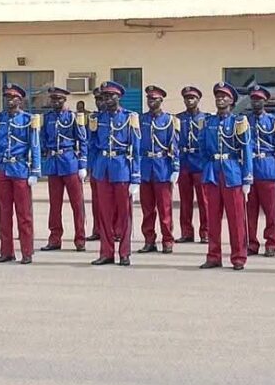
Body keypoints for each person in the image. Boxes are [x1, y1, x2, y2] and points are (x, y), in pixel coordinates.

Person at [198, 82, 253, 270]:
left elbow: (246, 150)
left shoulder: (238, 122)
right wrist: (206, 168)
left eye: (224, 96)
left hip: (232, 172)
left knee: (236, 219)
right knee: (212, 218)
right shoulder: (208, 122)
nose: (220, 99)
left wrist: (247, 178)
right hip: (213, 173)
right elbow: (202, 148)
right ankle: (213, 256)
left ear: (231, 101)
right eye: (218, 96)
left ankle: (238, 257)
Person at [88, 81, 141, 266]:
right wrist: (91, 168)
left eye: (111, 96)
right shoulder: (97, 118)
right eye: (105, 96)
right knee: (104, 213)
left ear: (119, 97)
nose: (108, 99)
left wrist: (136, 176)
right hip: (102, 168)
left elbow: (136, 148)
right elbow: (92, 145)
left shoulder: (129, 117)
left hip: (122, 168)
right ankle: (106, 252)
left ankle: (124, 252)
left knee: (125, 213)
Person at [0, 84, 42, 264]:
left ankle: (27, 252)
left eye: (13, 98)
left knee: (24, 214)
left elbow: (35, 145)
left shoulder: (28, 119)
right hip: (3, 168)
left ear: (20, 100)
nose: (9, 101)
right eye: (7, 97)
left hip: (20, 168)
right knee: (4, 212)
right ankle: (6, 251)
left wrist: (35, 170)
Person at [39, 86, 87, 252]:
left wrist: (82, 164)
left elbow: (82, 141)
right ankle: (55, 238)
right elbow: (43, 139)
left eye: (59, 99)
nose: (55, 102)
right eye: (53, 99)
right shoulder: (47, 118)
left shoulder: (73, 117)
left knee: (77, 204)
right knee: (54, 204)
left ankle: (80, 239)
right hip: (53, 163)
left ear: (65, 100)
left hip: (70, 162)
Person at [137, 85, 179, 254]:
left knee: (165, 208)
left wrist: (175, 167)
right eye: (149, 98)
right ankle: (149, 240)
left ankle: (167, 240)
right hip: (145, 166)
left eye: (154, 99)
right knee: (147, 209)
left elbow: (174, 144)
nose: (151, 101)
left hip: (162, 167)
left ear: (161, 100)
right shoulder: (141, 119)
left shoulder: (169, 120)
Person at [246, 84, 275, 257]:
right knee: (250, 212)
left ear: (265, 101)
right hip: (249, 170)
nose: (256, 102)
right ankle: (251, 243)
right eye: (253, 99)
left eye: (259, 99)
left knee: (271, 211)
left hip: (269, 169)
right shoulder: (244, 121)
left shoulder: (274, 121)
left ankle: (271, 242)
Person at [176, 86, 209, 244]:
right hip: (184, 162)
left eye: (192, 98)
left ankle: (206, 232)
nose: (189, 101)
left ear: (198, 100)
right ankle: (186, 232)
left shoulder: (205, 118)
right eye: (187, 98)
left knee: (204, 200)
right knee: (185, 201)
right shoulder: (178, 118)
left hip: (200, 162)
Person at [86, 86, 104, 241]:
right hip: (97, 162)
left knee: (117, 201)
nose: (100, 102)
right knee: (97, 200)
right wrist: (89, 167)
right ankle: (98, 229)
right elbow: (90, 144)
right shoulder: (93, 118)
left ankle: (116, 230)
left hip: (116, 163)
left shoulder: (123, 116)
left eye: (102, 98)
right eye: (97, 99)